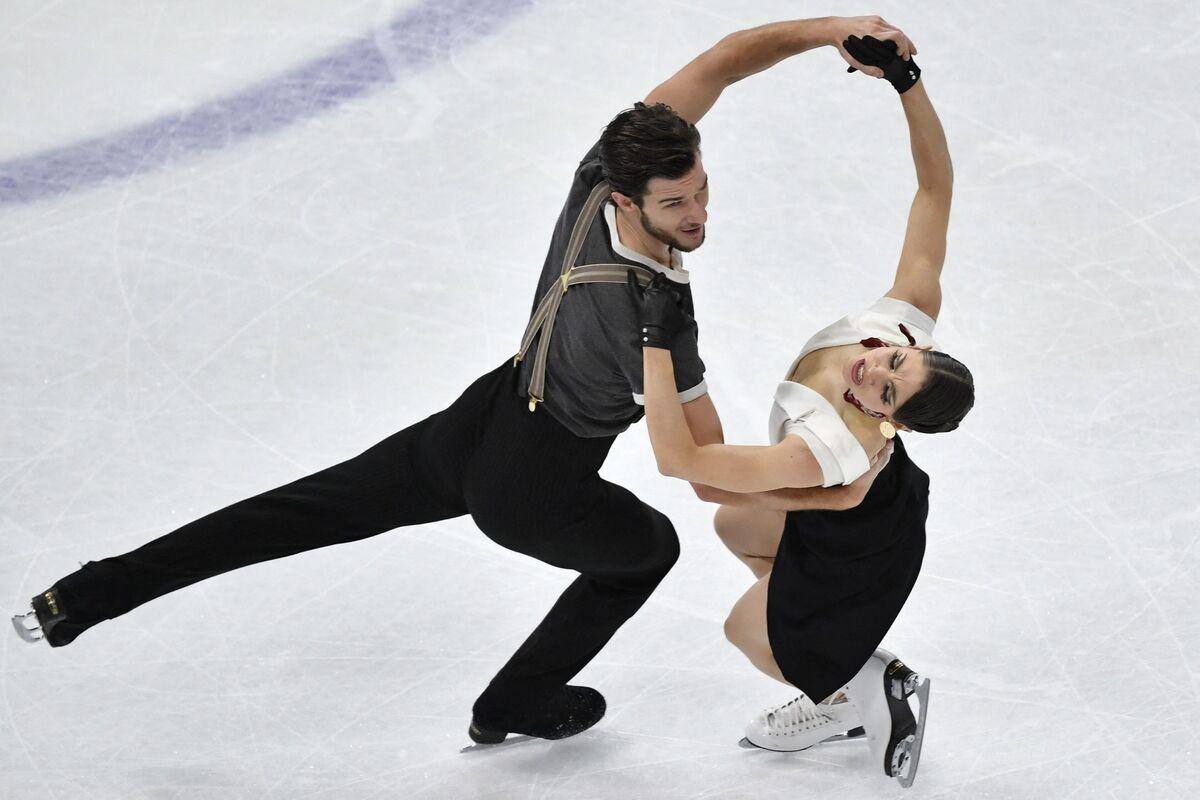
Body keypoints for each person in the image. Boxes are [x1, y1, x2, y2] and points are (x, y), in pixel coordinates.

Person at [11, 17, 919, 744]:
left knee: (301, 509)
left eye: (703, 192)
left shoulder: (597, 176)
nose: (698, 216)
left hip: (485, 414)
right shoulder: (661, 319)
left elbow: (721, 62)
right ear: (625, 200)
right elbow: (705, 465)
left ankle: (85, 595)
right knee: (646, 551)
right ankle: (516, 700)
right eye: (677, 205)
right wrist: (829, 493)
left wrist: (825, 31)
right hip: (536, 479)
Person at [629, 34, 971, 786]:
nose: (872, 366)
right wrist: (907, 83)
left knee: (751, 634)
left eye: (886, 390)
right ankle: (863, 679)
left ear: (894, 423)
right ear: (913, 345)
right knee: (736, 526)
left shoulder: (828, 447)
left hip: (866, 531)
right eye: (893, 360)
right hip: (866, 505)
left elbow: (680, 463)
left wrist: (652, 340)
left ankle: (852, 692)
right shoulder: (902, 320)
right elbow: (934, 191)